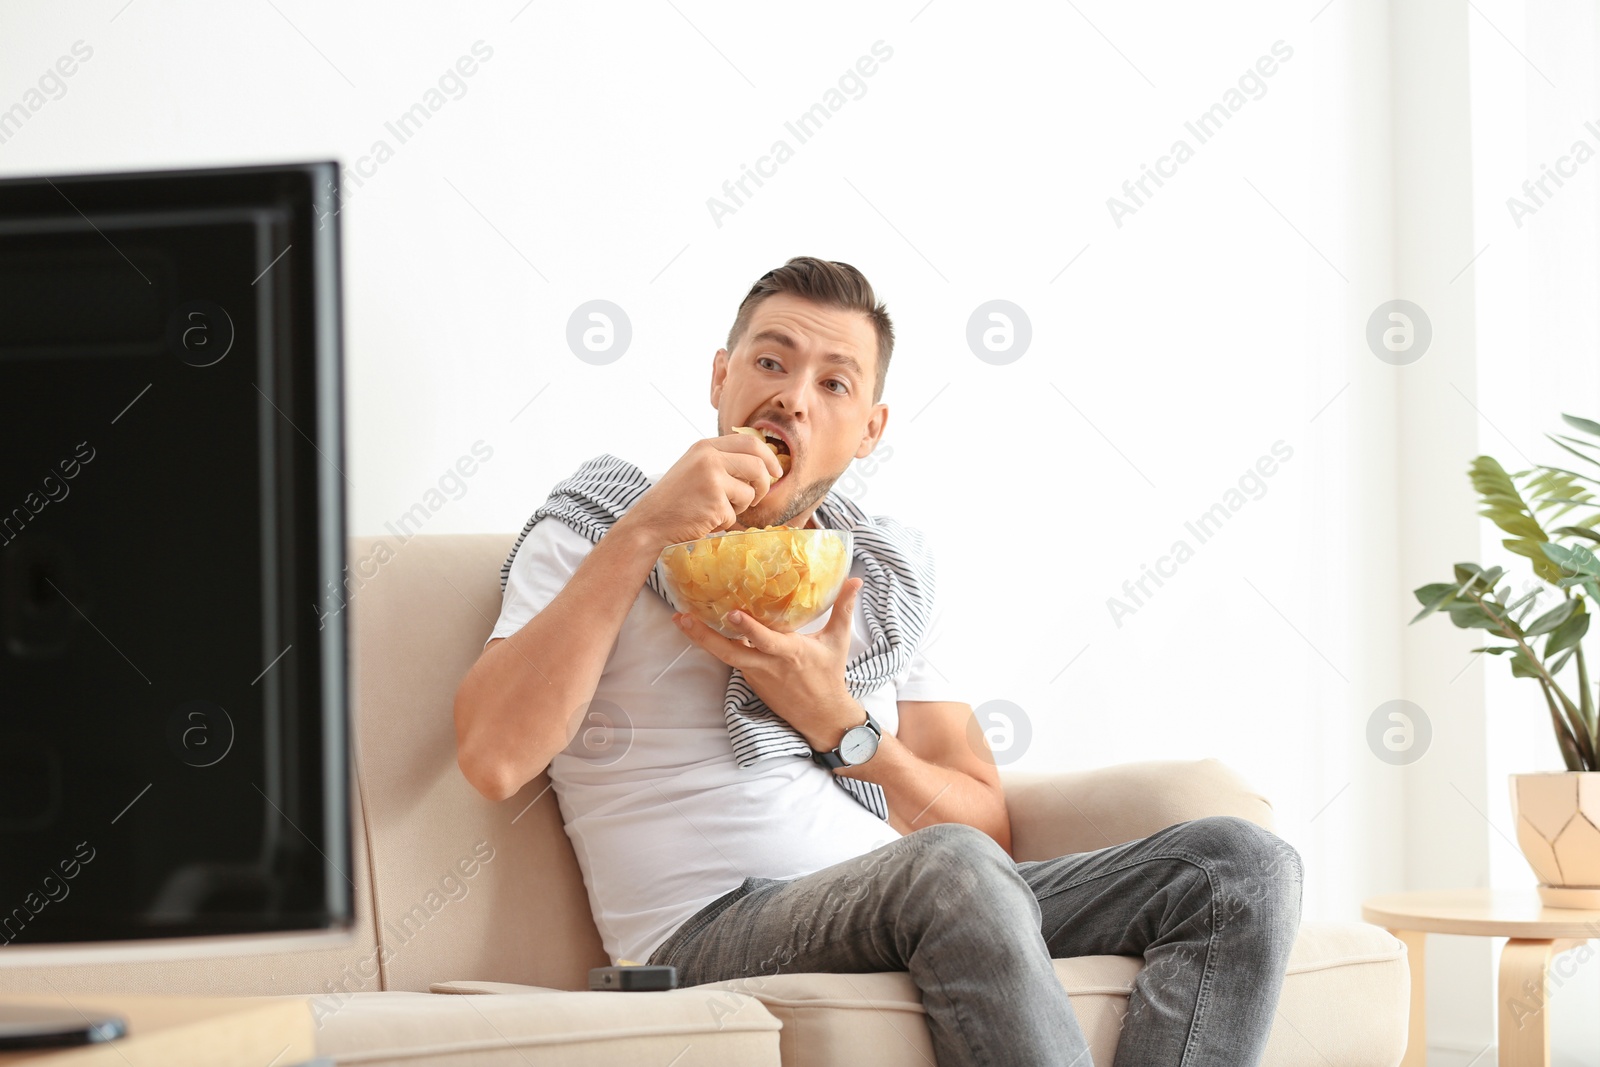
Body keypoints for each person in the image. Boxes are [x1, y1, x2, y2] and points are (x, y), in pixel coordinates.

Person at [453, 256, 1303, 1065]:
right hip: (705, 926)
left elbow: (983, 830)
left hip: (908, 887)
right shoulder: (601, 521)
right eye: (770, 362)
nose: (792, 397)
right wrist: (646, 529)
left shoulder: (878, 572)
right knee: (952, 871)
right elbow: (494, 756)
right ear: (721, 378)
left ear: (869, 430)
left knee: (1240, 866)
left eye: (833, 383)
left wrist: (840, 722)